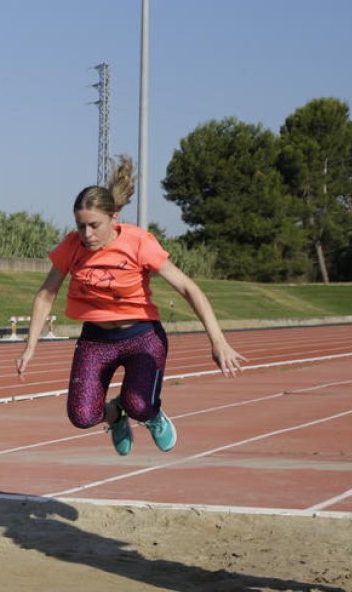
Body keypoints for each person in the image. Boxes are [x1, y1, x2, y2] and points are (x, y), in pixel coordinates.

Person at [15, 156, 245, 455]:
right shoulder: (72, 247)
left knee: (140, 404)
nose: (87, 235)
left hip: (142, 337)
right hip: (96, 340)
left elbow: (189, 288)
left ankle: (151, 415)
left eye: (94, 226)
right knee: (82, 417)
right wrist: (30, 345)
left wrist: (219, 342)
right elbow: (47, 294)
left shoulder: (139, 243)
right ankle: (117, 415)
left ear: (114, 218)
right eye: (80, 226)